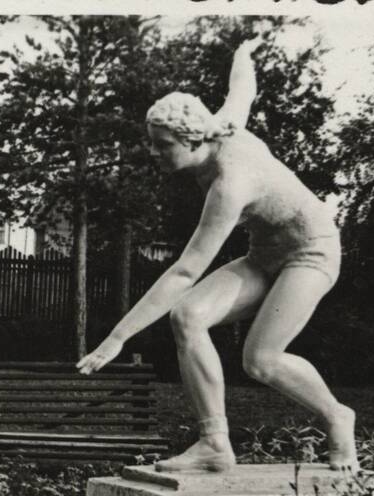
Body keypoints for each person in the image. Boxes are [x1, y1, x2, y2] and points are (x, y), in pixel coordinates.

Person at [77, 40, 358, 473]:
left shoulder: (231, 184)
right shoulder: (219, 126)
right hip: (264, 255)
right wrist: (243, 53)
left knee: (261, 360)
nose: (154, 153)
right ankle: (214, 443)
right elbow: (241, 91)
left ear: (191, 140)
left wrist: (117, 338)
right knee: (187, 317)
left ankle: (338, 416)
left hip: (312, 252)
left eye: (162, 144)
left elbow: (184, 271)